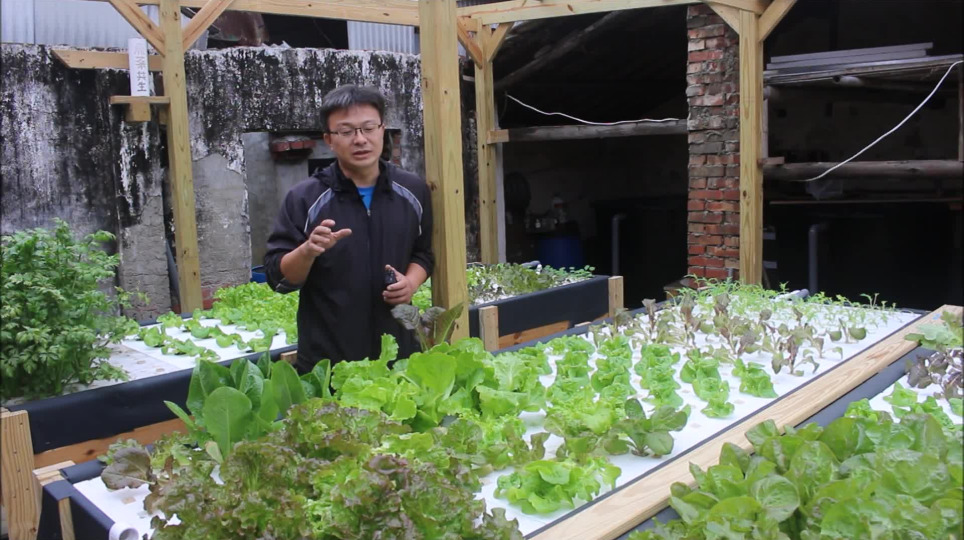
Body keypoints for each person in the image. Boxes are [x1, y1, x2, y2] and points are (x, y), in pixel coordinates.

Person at [264, 85, 433, 372]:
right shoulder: (305, 198)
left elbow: (423, 253)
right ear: (329, 139)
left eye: (368, 128)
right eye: (346, 131)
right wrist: (307, 251)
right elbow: (277, 278)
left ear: (382, 130)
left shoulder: (412, 190)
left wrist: (411, 283)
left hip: (399, 357)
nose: (360, 139)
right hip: (328, 361)